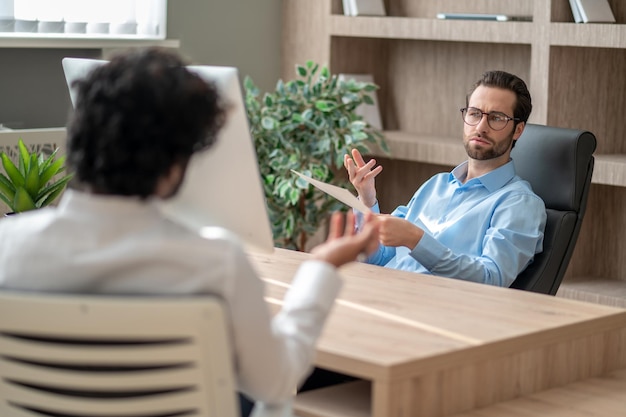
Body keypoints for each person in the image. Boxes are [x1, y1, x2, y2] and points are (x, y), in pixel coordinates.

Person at [0, 47, 380, 414]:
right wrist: (321, 268)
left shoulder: (8, 246)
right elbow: (277, 379)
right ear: (176, 165)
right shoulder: (214, 264)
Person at [344, 70, 547, 287]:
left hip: (434, 312)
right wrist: (366, 201)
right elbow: (380, 258)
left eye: (497, 118)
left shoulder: (519, 203)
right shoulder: (436, 185)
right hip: (383, 293)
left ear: (518, 130)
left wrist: (416, 239)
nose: (480, 127)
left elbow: (492, 279)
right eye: (475, 113)